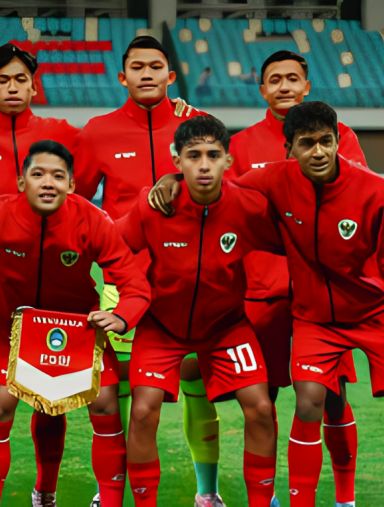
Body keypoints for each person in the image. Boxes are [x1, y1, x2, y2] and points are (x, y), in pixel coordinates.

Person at [149, 101, 384, 507]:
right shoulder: (273, 178)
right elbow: (218, 182)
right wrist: (174, 177)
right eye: (307, 144)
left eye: (326, 142)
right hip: (315, 318)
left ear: (338, 141)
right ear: (289, 148)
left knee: (335, 399)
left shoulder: (374, 191)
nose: (319, 152)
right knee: (309, 398)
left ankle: (346, 501)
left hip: (372, 311)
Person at [0, 140, 150, 507]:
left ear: (71, 184)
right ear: (22, 182)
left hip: (77, 335)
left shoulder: (92, 220)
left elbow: (135, 285)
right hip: (12, 333)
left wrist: (122, 315)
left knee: (104, 402)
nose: (48, 183)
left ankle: (88, 498)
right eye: (38, 174)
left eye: (58, 176)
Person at [72, 35, 215, 507]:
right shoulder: (97, 131)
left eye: (157, 66)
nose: (148, 73)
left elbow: (220, 190)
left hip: (190, 283)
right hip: (123, 284)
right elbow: (77, 203)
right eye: (138, 66)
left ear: (171, 76)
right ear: (123, 77)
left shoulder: (197, 126)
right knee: (124, 397)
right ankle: (109, 490)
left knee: (197, 386)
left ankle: (206, 493)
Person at [224, 51, 366, 507]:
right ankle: (263, 499)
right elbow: (228, 204)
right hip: (262, 295)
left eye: (292, 78)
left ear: (307, 84)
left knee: (329, 399)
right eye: (274, 80)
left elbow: (357, 203)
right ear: (261, 89)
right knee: (260, 403)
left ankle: (346, 498)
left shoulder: (340, 136)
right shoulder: (242, 143)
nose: (284, 86)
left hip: (323, 300)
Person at [118, 116, 279, 507]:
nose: (203, 165)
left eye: (212, 155)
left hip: (226, 327)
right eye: (193, 156)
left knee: (260, 408)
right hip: (162, 327)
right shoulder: (154, 206)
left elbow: (298, 239)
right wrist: (130, 294)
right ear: (177, 160)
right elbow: (111, 246)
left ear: (228, 158)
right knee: (142, 411)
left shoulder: (249, 207)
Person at [0, 43, 80, 507]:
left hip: (52, 294)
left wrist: (183, 107)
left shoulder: (61, 132)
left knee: (49, 397)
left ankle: (45, 492)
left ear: (33, 84)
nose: (12, 87)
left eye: (20, 79)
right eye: (2, 80)